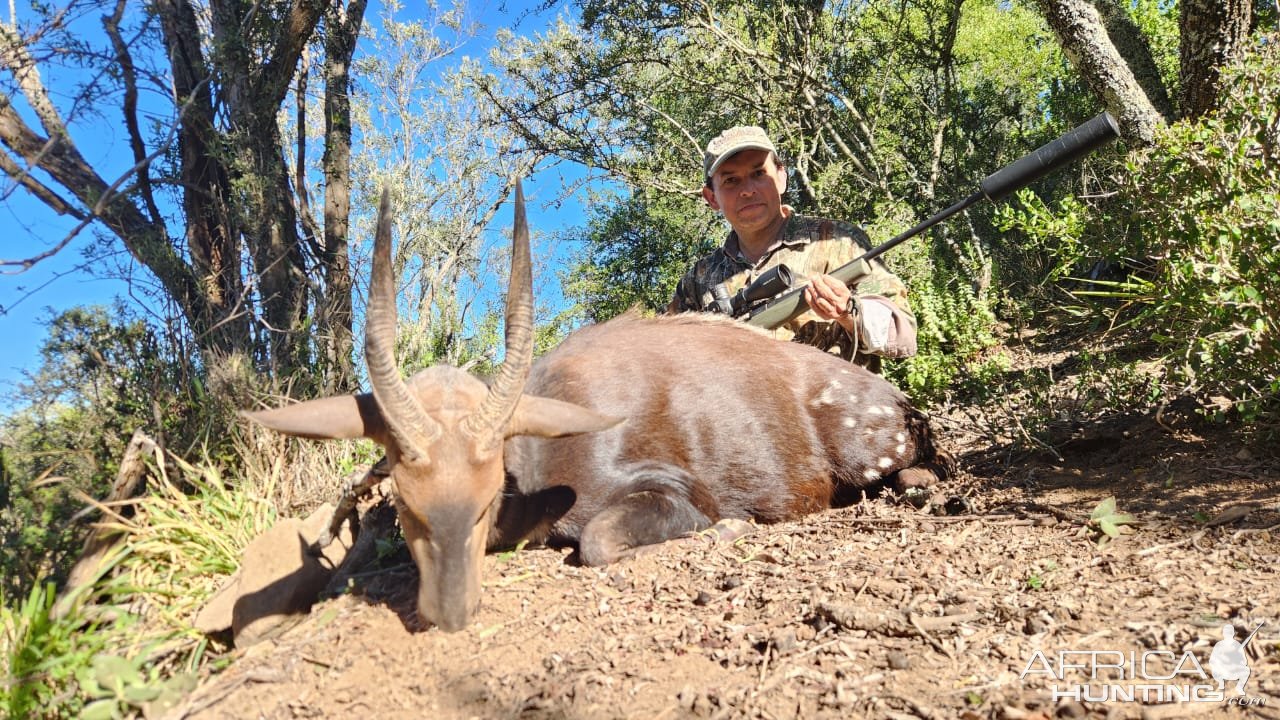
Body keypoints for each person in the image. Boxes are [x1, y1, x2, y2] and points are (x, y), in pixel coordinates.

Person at [667, 125, 917, 372]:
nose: (748, 190)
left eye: (758, 173)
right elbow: (667, 360)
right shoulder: (698, 281)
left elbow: (903, 335)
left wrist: (849, 312)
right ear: (711, 198)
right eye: (731, 180)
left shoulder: (838, 241)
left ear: (782, 177)